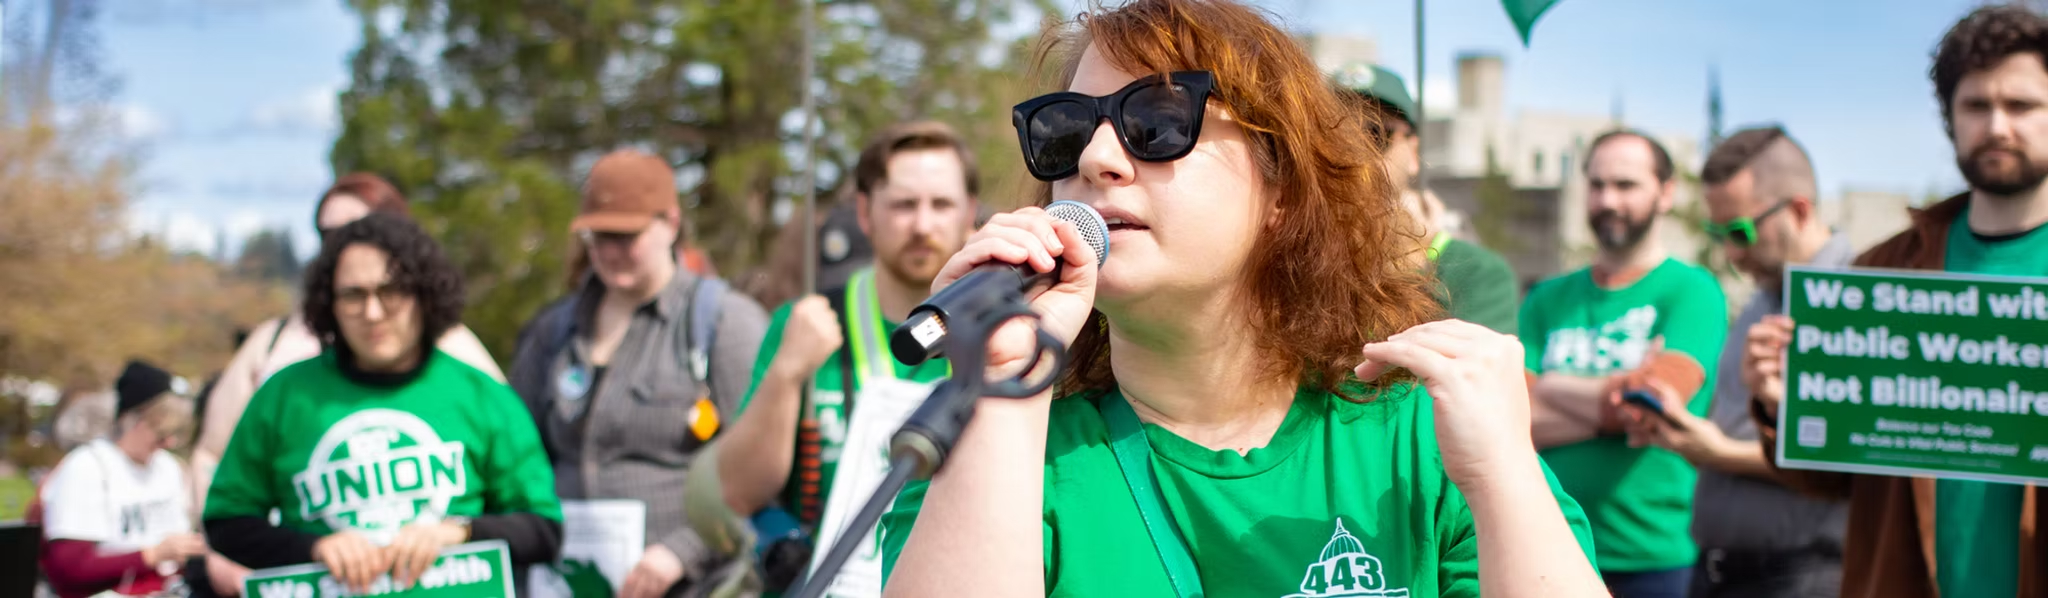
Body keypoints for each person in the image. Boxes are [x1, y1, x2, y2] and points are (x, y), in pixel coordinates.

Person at [878, 1, 1605, 596]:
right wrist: (1007, 377)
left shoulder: (1424, 437)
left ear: (1281, 188)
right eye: (1066, 131)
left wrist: (1502, 472)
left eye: (1156, 121)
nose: (1097, 160)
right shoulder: (991, 451)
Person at [1745, 6, 2048, 596]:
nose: (1998, 127)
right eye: (1977, 106)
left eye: (2022, 105)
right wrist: (1786, 405)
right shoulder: (1886, 270)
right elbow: (1831, 478)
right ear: (1950, 119)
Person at [203, 213, 563, 595]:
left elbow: (543, 529)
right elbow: (226, 522)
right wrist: (314, 547)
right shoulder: (285, 395)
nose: (373, 313)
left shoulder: (480, 393)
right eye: (353, 295)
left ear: (423, 294)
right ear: (330, 303)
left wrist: (458, 532)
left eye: (391, 291)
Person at [716, 121, 978, 595]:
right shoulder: (808, 323)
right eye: (903, 205)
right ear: (864, 213)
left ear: (969, 213)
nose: (922, 225)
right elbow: (738, 492)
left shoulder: (1001, 336)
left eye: (941, 204)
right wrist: (786, 374)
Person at [508, 150, 769, 598]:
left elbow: (762, 469)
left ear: (670, 223)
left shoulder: (724, 323)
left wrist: (684, 550)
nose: (610, 252)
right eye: (599, 236)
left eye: (626, 236)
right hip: (568, 580)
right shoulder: (555, 330)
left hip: (693, 585)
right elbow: (515, 451)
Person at [1623, 126, 1846, 598]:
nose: (1731, 253)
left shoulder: (1851, 299)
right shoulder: (1763, 296)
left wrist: (1718, 454)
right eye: (1718, 233)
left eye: (1741, 232)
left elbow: (1848, 454)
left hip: (1801, 575)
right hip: (1723, 573)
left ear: (1799, 210)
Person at [191, 173, 504, 509]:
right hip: (291, 553)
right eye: (326, 233)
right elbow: (212, 454)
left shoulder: (448, 342)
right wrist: (221, 550)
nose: (341, 241)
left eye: (357, 226)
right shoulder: (272, 342)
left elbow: (506, 448)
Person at [1518, 130, 1728, 598]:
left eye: (1626, 185)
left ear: (1666, 193)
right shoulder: (1547, 298)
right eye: (1597, 185)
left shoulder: (1692, 291)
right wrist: (1614, 404)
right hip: (1549, 544)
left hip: (1653, 558)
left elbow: (1653, 403)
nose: (1608, 200)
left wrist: (1549, 386)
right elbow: (1511, 416)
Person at [1336, 63, 1520, 333]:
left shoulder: (1476, 272)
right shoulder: (1284, 257)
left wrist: (1409, 265)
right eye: (1332, 135)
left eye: (1374, 133)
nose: (1354, 151)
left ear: (1413, 153)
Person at [38, 361, 231, 598]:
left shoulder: (166, 467)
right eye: (161, 432)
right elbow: (69, 569)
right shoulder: (87, 467)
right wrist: (151, 555)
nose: (168, 443)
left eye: (174, 434)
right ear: (133, 420)